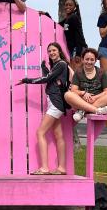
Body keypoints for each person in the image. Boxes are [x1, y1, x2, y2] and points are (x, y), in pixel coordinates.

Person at [17, 42, 71, 175]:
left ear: (59, 51)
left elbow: (47, 79)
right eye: (49, 51)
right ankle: (62, 168)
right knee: (58, 135)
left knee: (40, 133)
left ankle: (44, 168)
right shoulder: (57, 66)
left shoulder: (62, 64)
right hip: (55, 103)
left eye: (54, 50)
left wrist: (26, 80)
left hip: (56, 104)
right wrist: (44, 67)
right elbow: (51, 78)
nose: (51, 53)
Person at [64, 48, 107, 122]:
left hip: (98, 101)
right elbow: (74, 90)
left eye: (92, 59)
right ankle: (96, 110)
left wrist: (95, 97)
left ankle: (82, 111)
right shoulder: (78, 72)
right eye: (87, 59)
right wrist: (83, 93)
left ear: (95, 60)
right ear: (82, 60)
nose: (89, 62)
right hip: (82, 100)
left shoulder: (101, 72)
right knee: (67, 95)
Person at [58, 0, 88, 69]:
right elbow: (56, 25)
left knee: (76, 73)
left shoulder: (74, 17)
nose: (68, 7)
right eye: (66, 5)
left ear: (75, 7)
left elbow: (79, 35)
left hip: (78, 48)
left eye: (70, 5)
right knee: (74, 73)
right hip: (72, 49)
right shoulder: (67, 19)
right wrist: (46, 15)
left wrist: (78, 53)